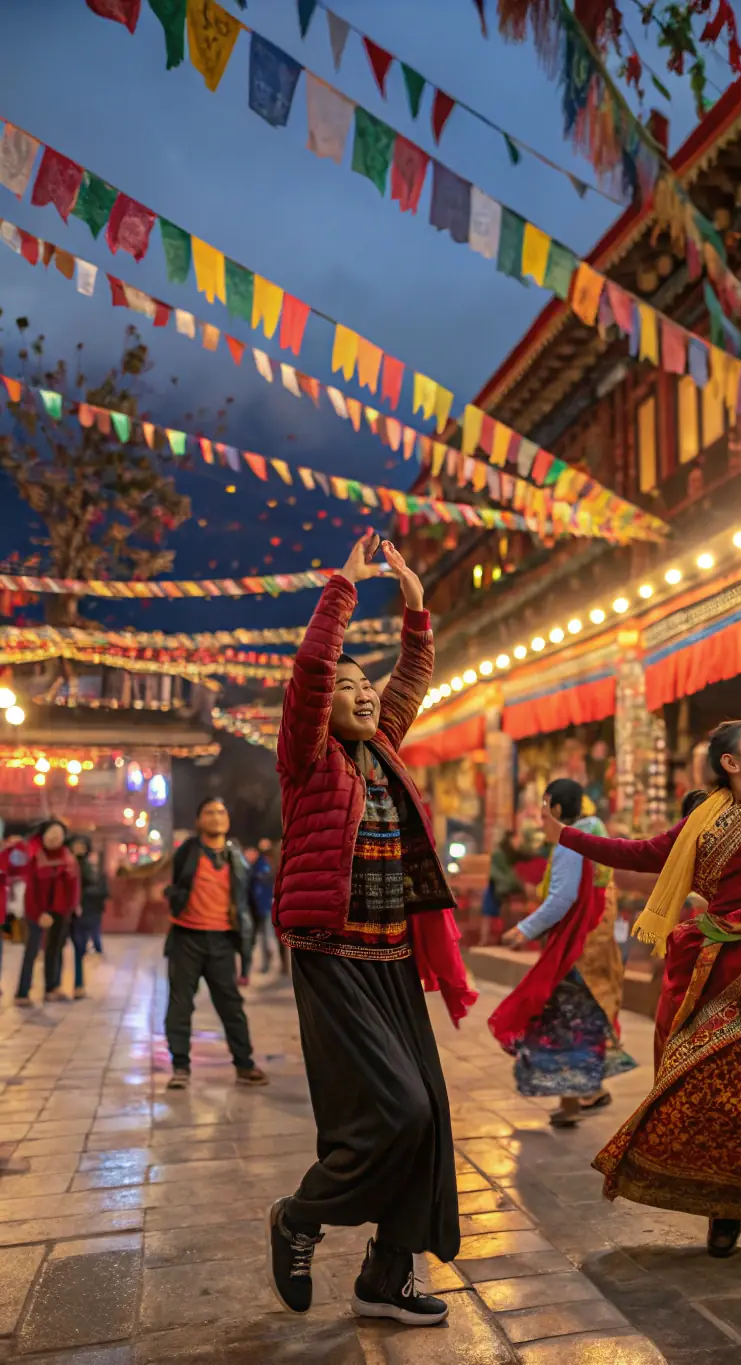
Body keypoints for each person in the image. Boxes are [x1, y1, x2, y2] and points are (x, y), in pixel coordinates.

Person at [541, 605, 741, 1277]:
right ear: (727, 759)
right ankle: (723, 1205)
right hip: (715, 967)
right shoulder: (700, 826)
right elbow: (631, 849)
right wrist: (565, 835)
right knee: (710, 1087)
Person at [266, 531, 476, 1328]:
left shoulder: (383, 749)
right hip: (332, 957)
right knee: (397, 1112)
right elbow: (314, 674)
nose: (359, 693)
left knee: (427, 1116)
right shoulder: (308, 761)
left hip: (389, 959)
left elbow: (412, 676)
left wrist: (416, 607)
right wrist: (342, 593)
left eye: (367, 686)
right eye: (348, 685)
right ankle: (302, 1216)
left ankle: (386, 1277)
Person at [490, 780, 637, 1128]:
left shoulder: (572, 843)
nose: (540, 816)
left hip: (576, 949)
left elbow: (562, 898)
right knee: (584, 1020)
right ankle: (585, 1094)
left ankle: (575, 1099)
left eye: (544, 806)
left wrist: (523, 929)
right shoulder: (596, 833)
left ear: (556, 809)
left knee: (565, 1023)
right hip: (597, 945)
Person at [163, 799, 265, 1090]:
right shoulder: (187, 851)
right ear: (198, 821)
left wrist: (246, 946)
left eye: (222, 812)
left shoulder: (237, 858)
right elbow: (174, 881)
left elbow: (245, 900)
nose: (216, 817)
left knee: (231, 1005)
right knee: (180, 1004)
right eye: (209, 812)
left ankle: (244, 1065)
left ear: (228, 821)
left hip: (222, 940)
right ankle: (180, 1066)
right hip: (186, 938)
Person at [12, 819, 80, 1005]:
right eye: (51, 834)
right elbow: (31, 890)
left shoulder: (68, 859)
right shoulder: (36, 857)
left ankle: (52, 988)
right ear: (43, 836)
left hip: (60, 911)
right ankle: (22, 993)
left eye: (58, 835)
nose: (54, 838)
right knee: (32, 950)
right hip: (37, 912)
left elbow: (73, 887)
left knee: (55, 950)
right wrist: (38, 914)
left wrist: (70, 909)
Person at [67, 835, 108, 1000]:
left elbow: (103, 890)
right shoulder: (67, 864)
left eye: (81, 845)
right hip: (66, 911)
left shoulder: (91, 867)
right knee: (58, 950)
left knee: (79, 948)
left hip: (84, 912)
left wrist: (83, 899)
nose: (78, 848)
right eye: (75, 844)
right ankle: (54, 985)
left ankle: (78, 985)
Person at [479, 830, 524, 946]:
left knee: (504, 912)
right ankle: (485, 939)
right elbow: (497, 872)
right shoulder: (499, 853)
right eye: (516, 839)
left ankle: (503, 938)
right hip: (496, 886)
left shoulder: (510, 853)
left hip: (504, 887)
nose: (517, 842)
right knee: (489, 913)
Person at [248, 838, 279, 973]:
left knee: (267, 936)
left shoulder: (268, 865)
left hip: (267, 905)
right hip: (260, 906)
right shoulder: (260, 864)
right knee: (265, 937)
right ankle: (267, 962)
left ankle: (268, 962)